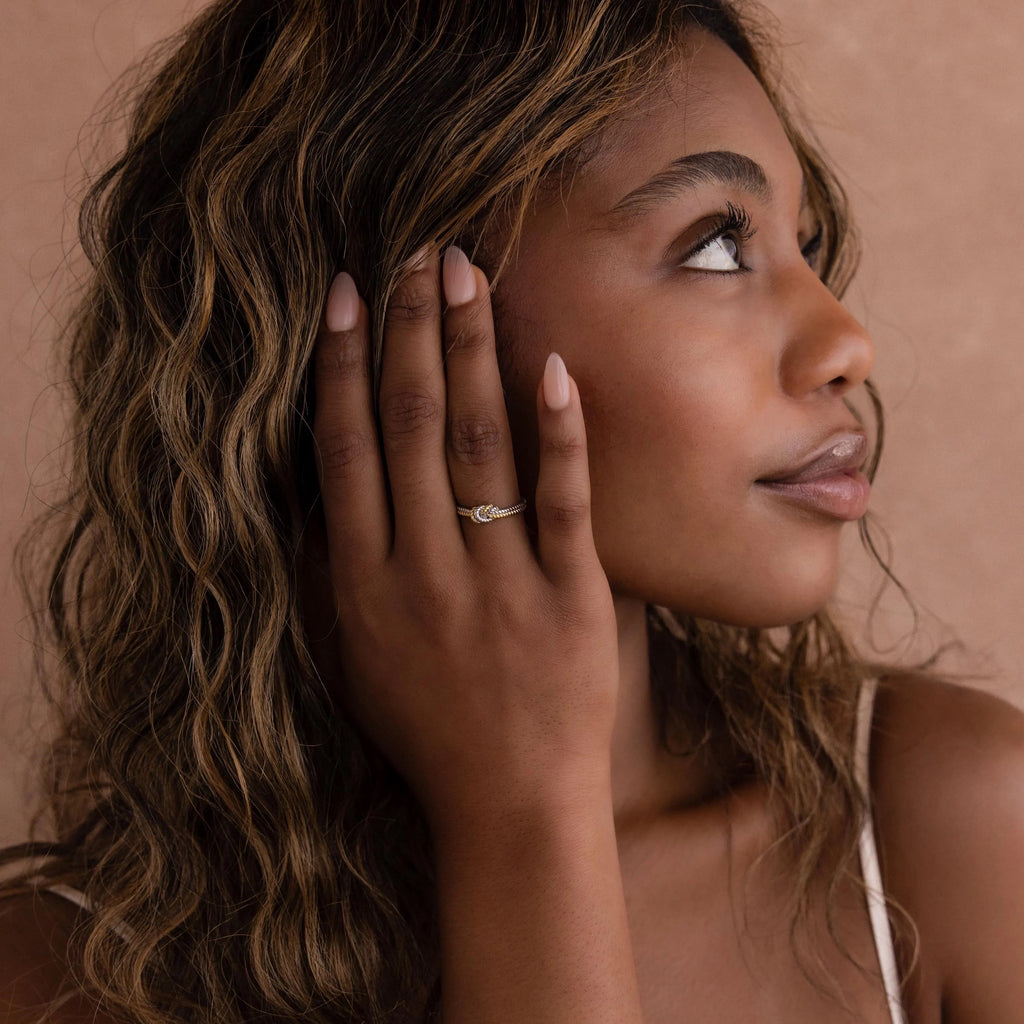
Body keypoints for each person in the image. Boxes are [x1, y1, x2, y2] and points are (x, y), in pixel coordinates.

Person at [1, 0, 1022, 1021]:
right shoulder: (69, 980)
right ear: (400, 308)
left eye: (801, 248)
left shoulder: (941, 833)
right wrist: (522, 815)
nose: (846, 341)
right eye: (716, 244)